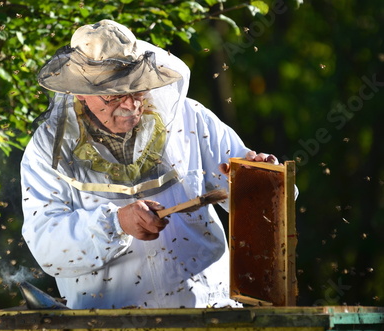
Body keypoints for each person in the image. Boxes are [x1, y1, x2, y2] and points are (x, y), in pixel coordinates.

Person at [21, 19, 279, 309]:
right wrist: (116, 223)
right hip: (109, 323)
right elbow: (46, 242)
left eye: (137, 89)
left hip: (207, 314)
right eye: (115, 93)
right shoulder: (47, 150)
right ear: (81, 92)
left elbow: (267, 208)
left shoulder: (190, 119)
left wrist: (262, 178)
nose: (131, 104)